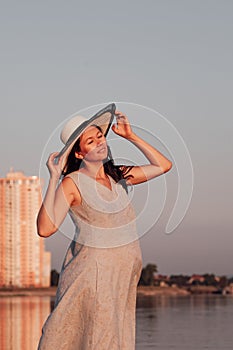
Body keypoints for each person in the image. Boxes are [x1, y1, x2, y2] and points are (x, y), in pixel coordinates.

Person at [37, 104, 172, 350]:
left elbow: (163, 165)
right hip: (92, 274)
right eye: (90, 141)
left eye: (100, 136)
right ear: (78, 154)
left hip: (122, 274)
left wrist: (131, 136)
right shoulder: (72, 182)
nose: (99, 142)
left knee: (114, 337)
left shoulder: (117, 175)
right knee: (94, 337)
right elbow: (46, 228)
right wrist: (54, 176)